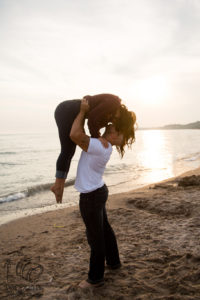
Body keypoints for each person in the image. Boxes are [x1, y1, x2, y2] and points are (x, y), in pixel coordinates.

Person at [70, 98, 136, 289]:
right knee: (105, 230)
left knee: (95, 237)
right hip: (98, 191)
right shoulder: (103, 145)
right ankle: (114, 262)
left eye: (114, 129)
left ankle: (95, 279)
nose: (110, 126)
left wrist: (82, 111)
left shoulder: (100, 146)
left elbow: (74, 134)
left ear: (116, 138)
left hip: (91, 196)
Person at [51, 93, 136, 204]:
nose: (114, 124)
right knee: (67, 150)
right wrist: (97, 137)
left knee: (70, 151)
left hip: (73, 113)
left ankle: (59, 185)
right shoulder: (114, 103)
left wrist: (97, 136)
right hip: (66, 111)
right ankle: (58, 186)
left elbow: (94, 118)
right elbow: (92, 118)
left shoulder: (109, 115)